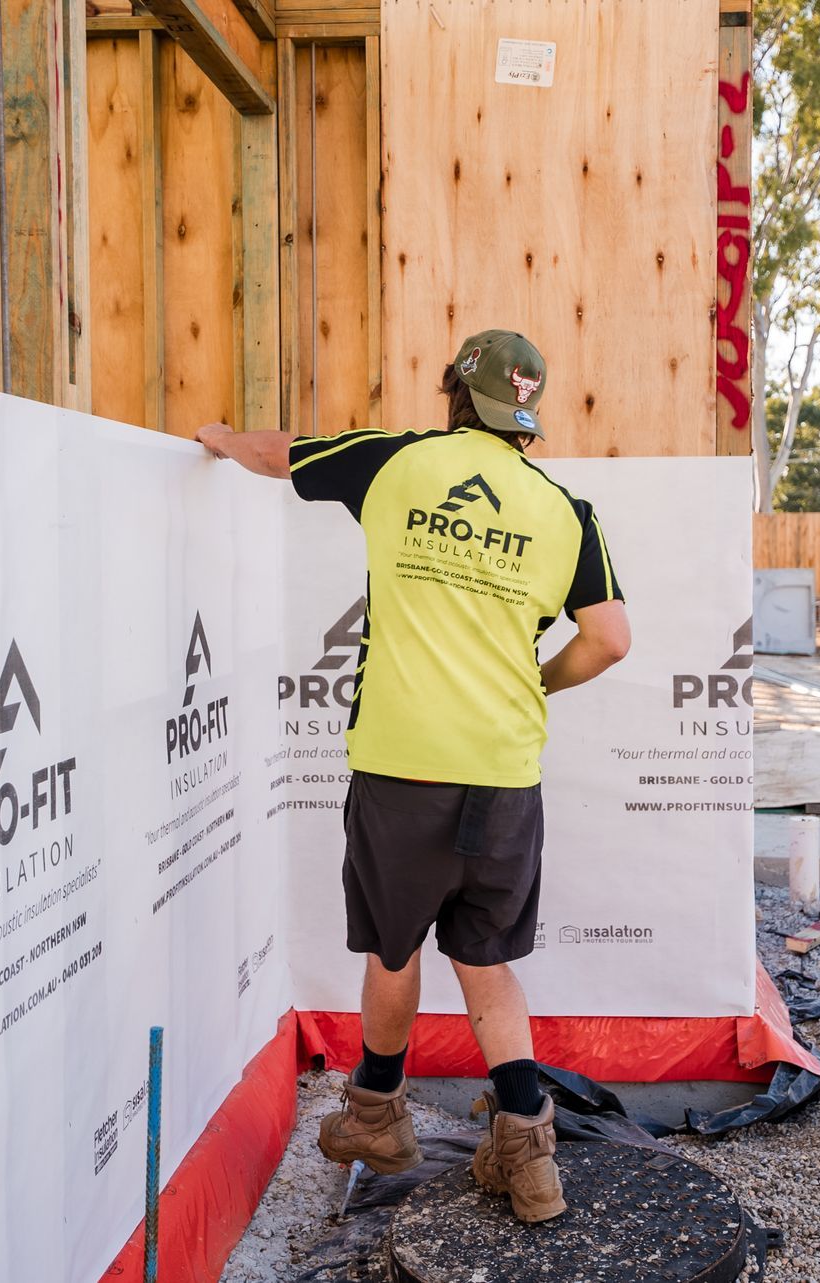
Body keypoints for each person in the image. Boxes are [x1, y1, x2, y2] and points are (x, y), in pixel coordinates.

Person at [196, 329, 629, 1224]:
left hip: (402, 766)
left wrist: (222, 437)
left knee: (396, 949)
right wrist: (536, 679)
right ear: (525, 414)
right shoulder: (564, 510)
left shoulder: (400, 462)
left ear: (453, 394)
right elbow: (611, 637)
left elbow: (283, 454)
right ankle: (530, 1158)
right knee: (489, 958)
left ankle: (378, 1119)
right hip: (505, 772)